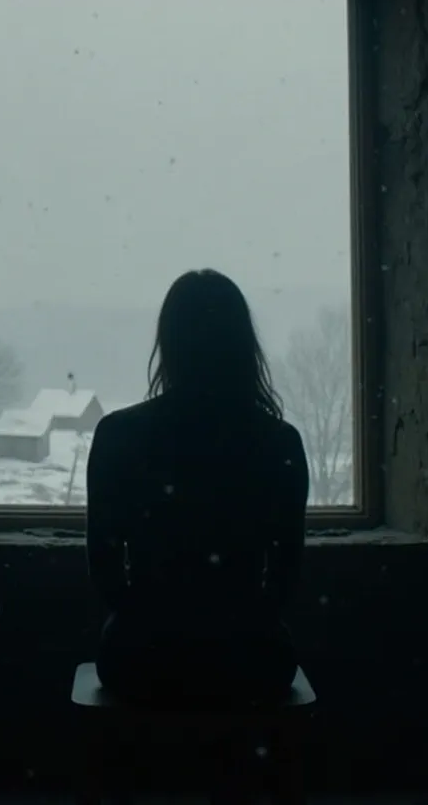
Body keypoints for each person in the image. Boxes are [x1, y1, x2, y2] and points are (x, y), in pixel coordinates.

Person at [85, 269, 311, 708]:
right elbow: (286, 573)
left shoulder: (118, 434)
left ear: (168, 343)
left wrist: (151, 623)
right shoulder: (278, 441)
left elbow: (104, 566)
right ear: (243, 344)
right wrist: (239, 624)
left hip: (140, 656)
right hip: (251, 657)